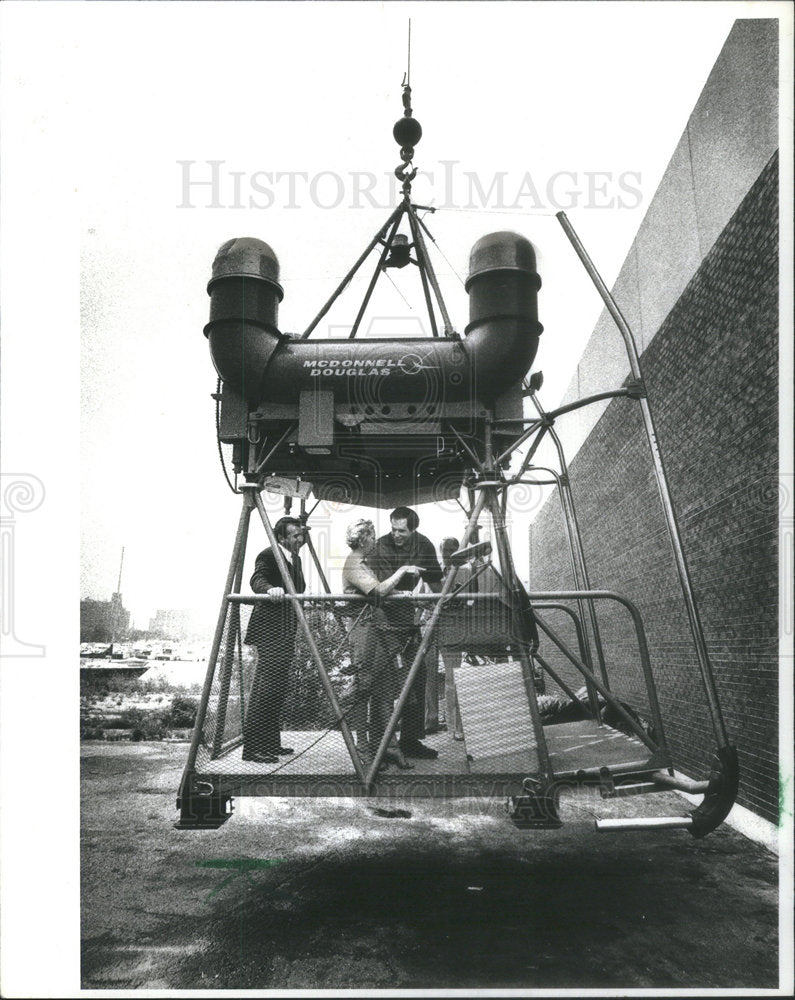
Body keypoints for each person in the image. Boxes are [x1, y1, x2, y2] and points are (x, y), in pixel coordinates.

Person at [342, 518, 422, 770]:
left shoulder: (363, 564)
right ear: (363, 538)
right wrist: (402, 571)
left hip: (378, 630)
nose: (375, 541)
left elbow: (381, 592)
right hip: (364, 632)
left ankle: (387, 747)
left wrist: (406, 595)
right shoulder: (354, 564)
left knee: (385, 689)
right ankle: (363, 747)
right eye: (372, 536)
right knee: (364, 687)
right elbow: (376, 592)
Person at [366, 506, 443, 759]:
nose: (396, 534)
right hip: (383, 620)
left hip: (408, 621)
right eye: (393, 529)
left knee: (417, 676)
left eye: (402, 531)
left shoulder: (424, 545)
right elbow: (382, 590)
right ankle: (380, 744)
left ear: (413, 529)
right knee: (383, 681)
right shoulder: (380, 547)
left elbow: (434, 580)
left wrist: (440, 599)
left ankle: (411, 740)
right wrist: (413, 597)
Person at [242, 517, 306, 763]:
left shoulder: (294, 558)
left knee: (276, 688)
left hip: (285, 629)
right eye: (294, 536)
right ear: (281, 538)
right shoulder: (269, 554)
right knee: (265, 688)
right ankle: (253, 748)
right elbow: (257, 579)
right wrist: (269, 589)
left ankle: (270, 743)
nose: (299, 540)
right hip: (270, 629)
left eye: (300, 535)